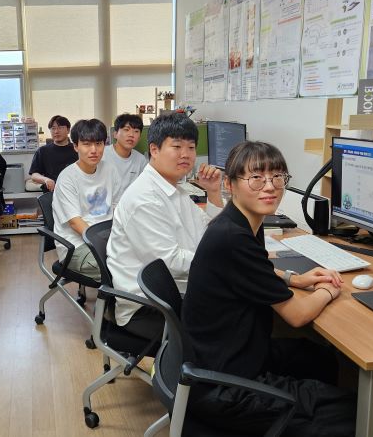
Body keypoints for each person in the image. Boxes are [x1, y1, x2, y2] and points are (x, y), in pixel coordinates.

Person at [183, 141, 355, 436]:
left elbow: (254, 270)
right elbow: (297, 315)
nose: (270, 187)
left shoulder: (242, 221)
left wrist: (294, 279)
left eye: (277, 177)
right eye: (256, 178)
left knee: (320, 359)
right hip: (225, 386)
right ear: (230, 184)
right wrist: (331, 289)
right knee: (351, 413)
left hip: (226, 357)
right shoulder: (233, 238)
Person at [106, 112, 223, 340]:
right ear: (154, 149)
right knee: (241, 320)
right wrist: (223, 263)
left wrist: (213, 193)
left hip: (177, 289)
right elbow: (171, 262)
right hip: (151, 306)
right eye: (177, 146)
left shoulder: (173, 188)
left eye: (191, 147)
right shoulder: (145, 199)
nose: (185, 154)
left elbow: (209, 231)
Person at [52, 118, 119, 281]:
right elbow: (75, 223)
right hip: (77, 245)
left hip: (108, 237)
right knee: (118, 269)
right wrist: (107, 247)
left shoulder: (110, 170)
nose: (94, 150)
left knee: (144, 257)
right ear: (76, 146)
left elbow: (118, 208)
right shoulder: (67, 178)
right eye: (87, 144)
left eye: (99, 143)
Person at [101, 113, 148, 203]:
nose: (131, 135)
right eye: (126, 130)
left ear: (139, 137)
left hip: (130, 207)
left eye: (136, 131)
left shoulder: (141, 160)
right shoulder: (102, 155)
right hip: (105, 207)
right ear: (115, 134)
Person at [29, 115, 78, 191]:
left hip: (74, 190)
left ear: (68, 130)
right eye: (53, 128)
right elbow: (34, 175)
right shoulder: (42, 151)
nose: (56, 131)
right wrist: (46, 180)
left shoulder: (77, 149)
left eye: (60, 128)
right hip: (52, 191)